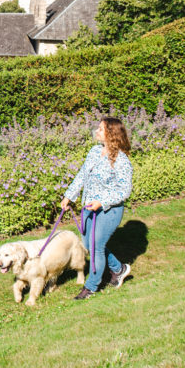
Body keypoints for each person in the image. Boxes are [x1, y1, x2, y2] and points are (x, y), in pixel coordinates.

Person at [61, 116, 134, 299]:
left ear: (111, 134)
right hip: (88, 206)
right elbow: (82, 174)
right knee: (88, 244)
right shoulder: (94, 151)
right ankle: (119, 269)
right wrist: (69, 195)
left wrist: (102, 202)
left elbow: (124, 190)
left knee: (96, 247)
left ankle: (91, 286)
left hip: (109, 210)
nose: (96, 131)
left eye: (101, 129)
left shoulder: (121, 160)